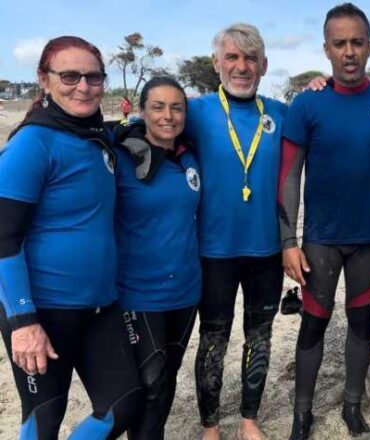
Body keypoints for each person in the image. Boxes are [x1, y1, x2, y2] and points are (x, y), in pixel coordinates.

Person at [278, 3, 370, 438]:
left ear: (369, 46)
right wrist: (288, 239)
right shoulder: (307, 104)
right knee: (314, 321)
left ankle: (352, 407)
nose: (349, 51)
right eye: (339, 43)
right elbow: (289, 175)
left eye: (357, 42)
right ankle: (302, 414)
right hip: (321, 240)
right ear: (326, 49)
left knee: (361, 325)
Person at [0, 36, 142, 439]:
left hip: (101, 305)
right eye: (70, 76)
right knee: (45, 415)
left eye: (93, 77)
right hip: (43, 309)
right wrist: (23, 321)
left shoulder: (94, 136)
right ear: (44, 80)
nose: (83, 86)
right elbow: (3, 238)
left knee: (124, 403)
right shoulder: (32, 143)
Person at [185, 23, 287, 440]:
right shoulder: (194, 112)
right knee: (212, 341)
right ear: (216, 63)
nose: (241, 67)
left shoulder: (281, 113)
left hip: (267, 251)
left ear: (264, 65)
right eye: (232, 57)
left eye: (250, 59)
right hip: (213, 252)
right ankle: (210, 424)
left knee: (259, 339)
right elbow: (149, 126)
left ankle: (249, 419)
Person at [113, 77, 201, 439]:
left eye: (177, 107)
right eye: (158, 107)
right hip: (138, 292)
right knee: (149, 381)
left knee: (166, 380)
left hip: (186, 289)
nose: (169, 116)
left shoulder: (189, 156)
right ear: (141, 110)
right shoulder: (119, 157)